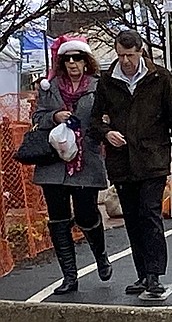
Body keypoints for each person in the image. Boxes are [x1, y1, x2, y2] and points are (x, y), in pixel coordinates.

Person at [90, 30, 172, 297]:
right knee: (133, 220)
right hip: (122, 162)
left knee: (149, 214)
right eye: (121, 55)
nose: (125, 61)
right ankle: (142, 274)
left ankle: (155, 274)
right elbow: (94, 121)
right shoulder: (107, 81)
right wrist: (106, 133)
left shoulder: (160, 78)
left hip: (153, 158)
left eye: (130, 55)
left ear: (140, 51)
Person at [33, 36, 111, 294]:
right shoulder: (50, 86)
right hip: (53, 162)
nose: (73, 64)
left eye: (78, 58)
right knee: (58, 219)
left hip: (85, 159)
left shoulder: (99, 86)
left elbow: (105, 119)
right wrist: (54, 116)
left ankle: (100, 256)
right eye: (68, 60)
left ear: (86, 61)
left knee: (86, 214)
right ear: (62, 63)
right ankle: (69, 276)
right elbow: (38, 116)